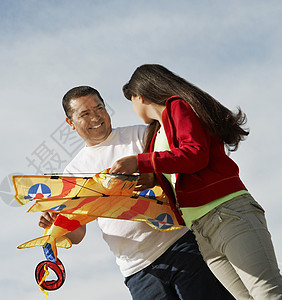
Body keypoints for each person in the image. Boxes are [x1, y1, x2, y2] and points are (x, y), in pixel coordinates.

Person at [39, 86, 234, 299]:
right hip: (137, 270)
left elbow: (177, 171)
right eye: (85, 114)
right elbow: (78, 234)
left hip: (183, 244)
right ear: (71, 123)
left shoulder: (140, 135)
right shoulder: (72, 173)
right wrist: (56, 224)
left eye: (99, 108)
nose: (95, 116)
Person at [111, 64, 282, 299]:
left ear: (139, 95)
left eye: (130, 100)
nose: (132, 108)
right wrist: (141, 179)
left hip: (227, 212)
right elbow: (171, 171)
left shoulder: (177, 106)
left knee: (267, 293)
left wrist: (140, 161)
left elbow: (194, 154)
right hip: (200, 230)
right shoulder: (155, 135)